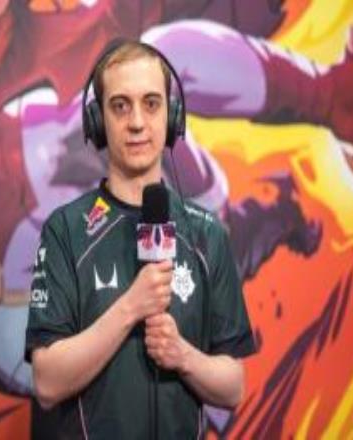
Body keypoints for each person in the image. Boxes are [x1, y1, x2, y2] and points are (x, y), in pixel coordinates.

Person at [24, 41, 256, 439]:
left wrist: (183, 355)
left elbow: (233, 387)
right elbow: (47, 383)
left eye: (151, 104)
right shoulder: (65, 231)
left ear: (172, 116)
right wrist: (132, 306)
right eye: (120, 106)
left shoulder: (207, 235)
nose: (136, 122)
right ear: (98, 122)